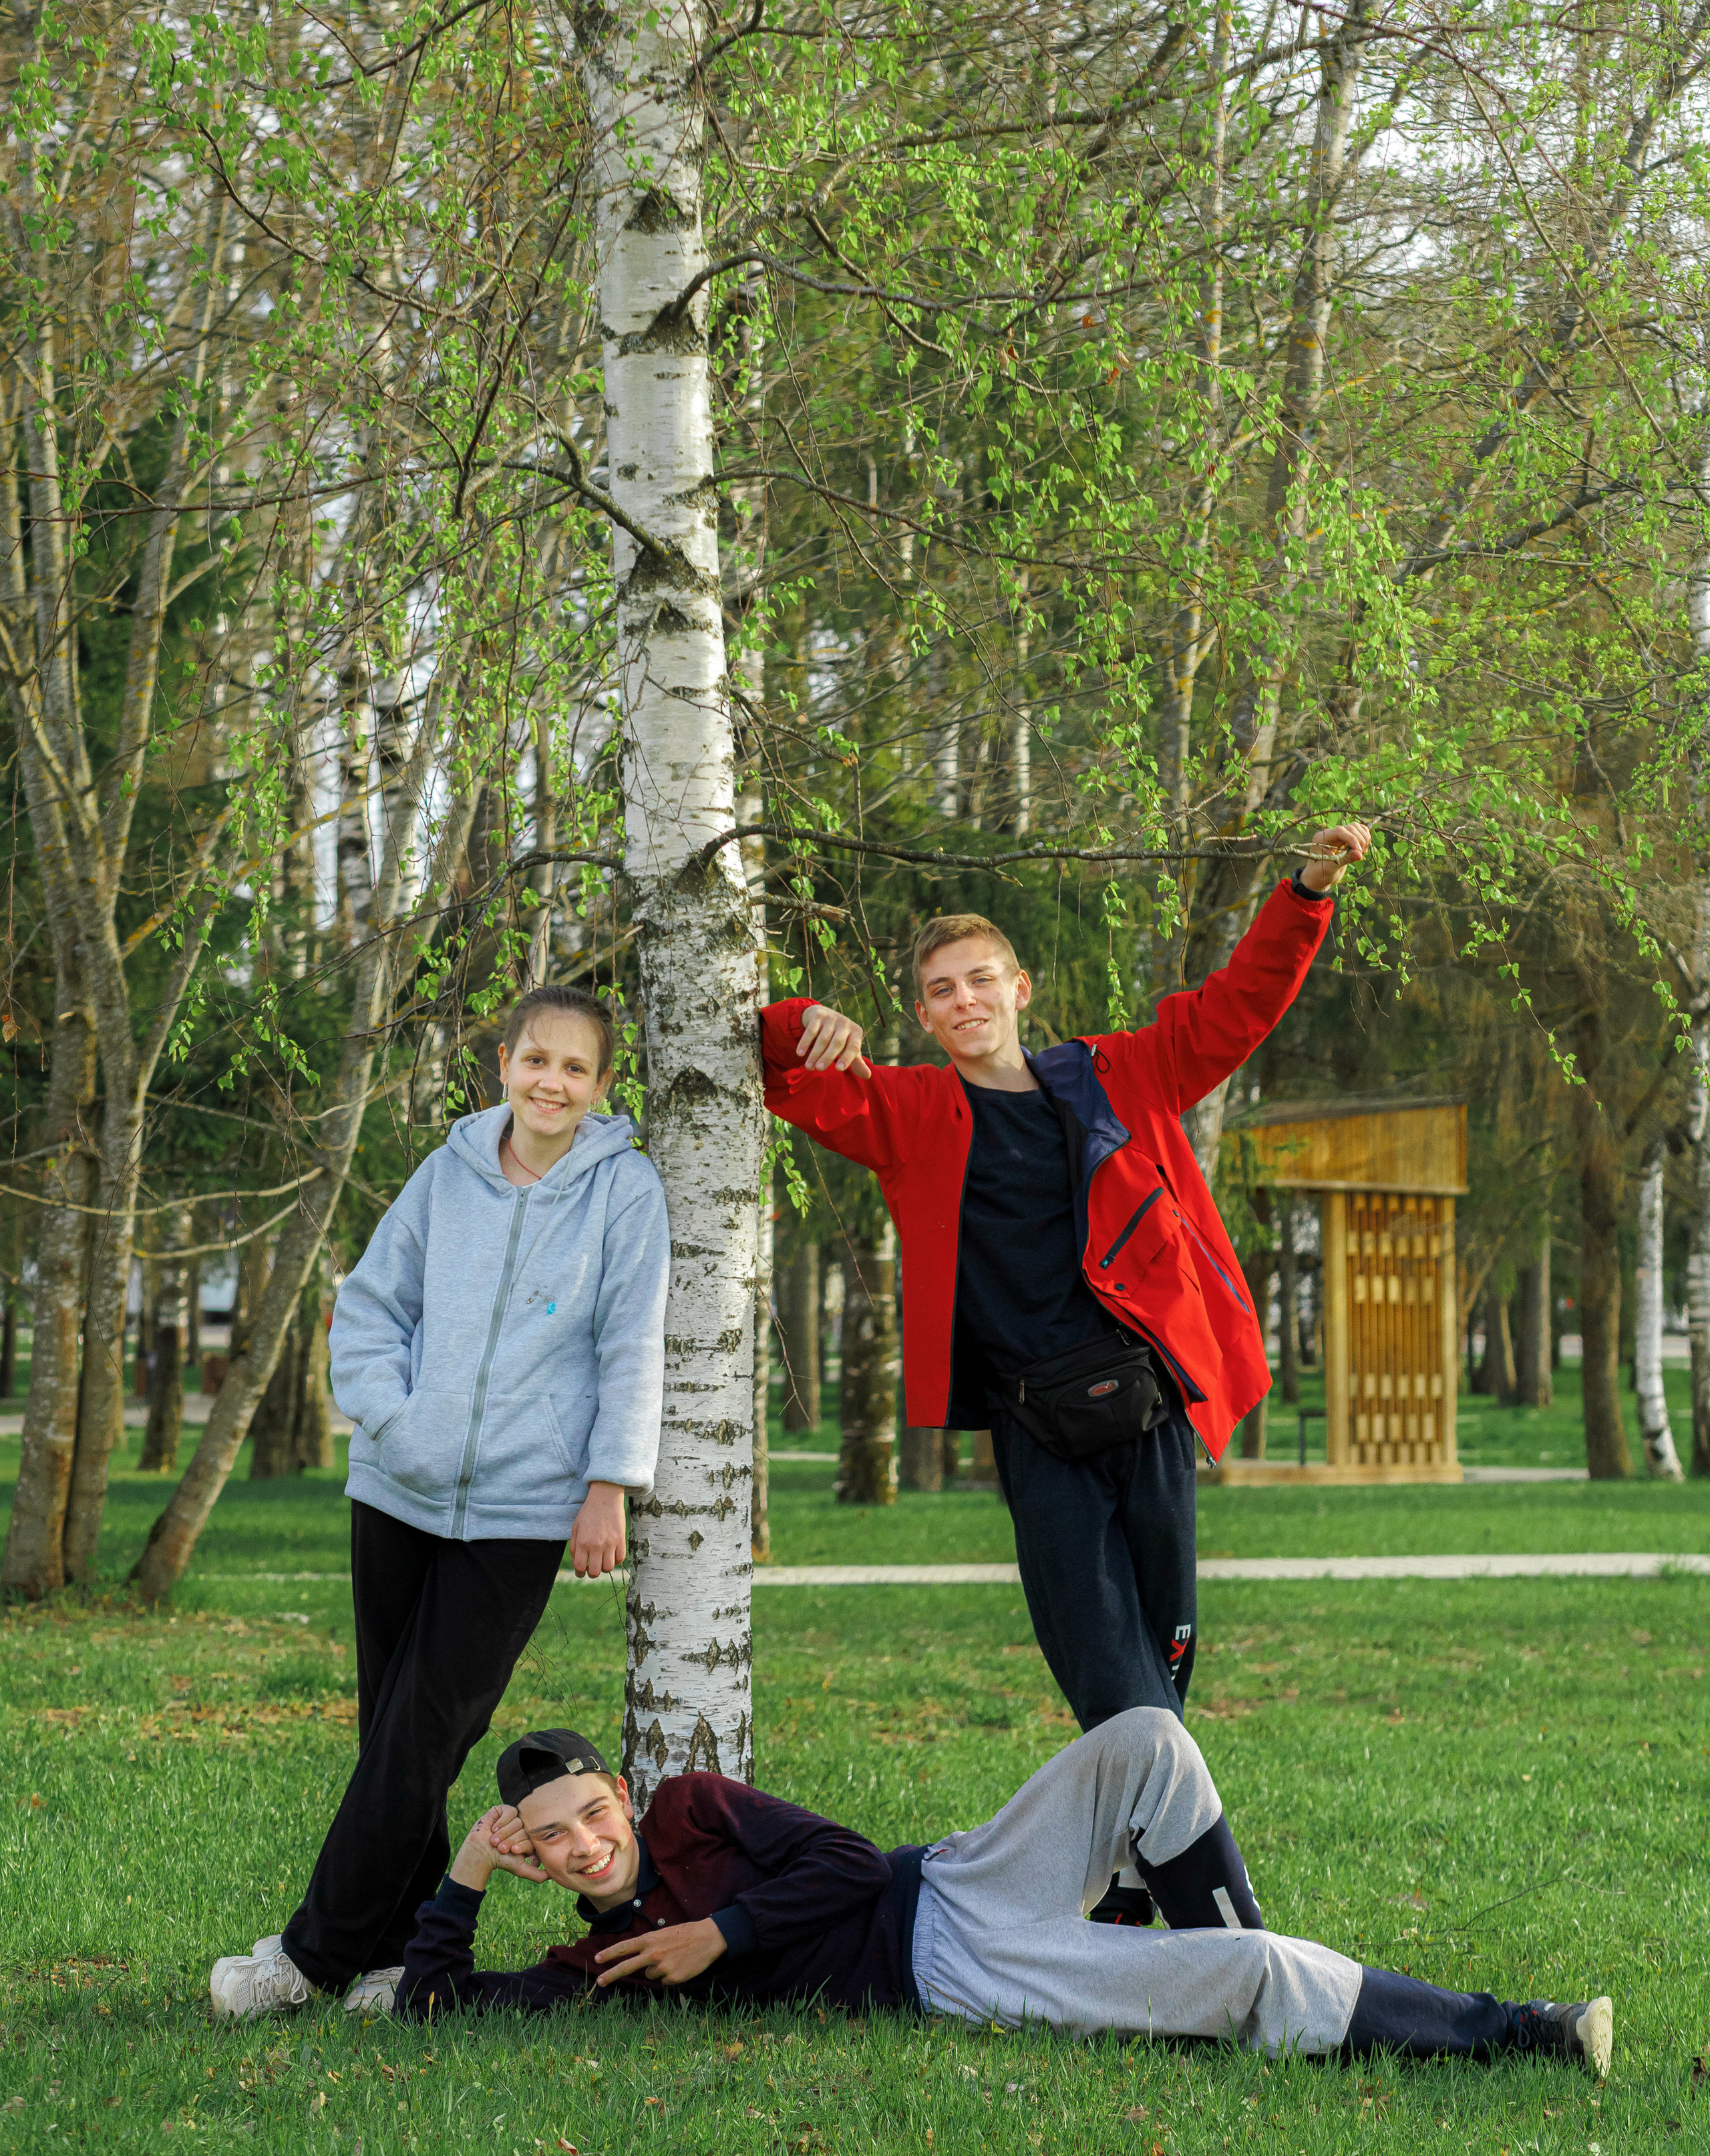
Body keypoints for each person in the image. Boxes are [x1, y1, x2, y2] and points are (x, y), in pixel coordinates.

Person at [759, 826, 1371, 1919]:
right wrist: (800, 1022)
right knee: (1104, 1668)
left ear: (1019, 988)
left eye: (980, 979)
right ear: (923, 1015)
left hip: (1148, 1410)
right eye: (940, 990)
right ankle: (1220, 1915)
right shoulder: (907, 1114)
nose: (962, 1001)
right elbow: (781, 1077)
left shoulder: (1113, 1077)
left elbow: (1236, 1008)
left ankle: (1135, 1892)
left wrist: (1304, 894)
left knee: (1165, 1657)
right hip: (1035, 1433)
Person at [209, 984, 670, 2022]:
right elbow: (372, 1306)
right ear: (503, 1063)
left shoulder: (625, 1191)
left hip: (521, 1510)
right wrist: (392, 1415)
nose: (551, 1082)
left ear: (601, 1087)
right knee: (395, 1735)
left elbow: (629, 1344)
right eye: (535, 1060)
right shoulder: (446, 1173)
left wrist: (609, 1486)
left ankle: (308, 1960)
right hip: (398, 1489)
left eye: (575, 1068)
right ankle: (397, 1961)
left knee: (425, 1733)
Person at [385, 1713, 1612, 2081]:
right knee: (1253, 1974)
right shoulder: (594, 1973)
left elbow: (854, 1864)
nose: (590, 1843)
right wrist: (465, 1872)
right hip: (944, 1977)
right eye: (554, 1842)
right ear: (540, 1864)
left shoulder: (693, 1808)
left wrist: (725, 1931)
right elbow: (434, 2009)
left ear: (620, 1795)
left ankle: (1194, 1992)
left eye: (593, 1813)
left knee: (1148, 1740)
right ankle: (1522, 2032)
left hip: (951, 1877)